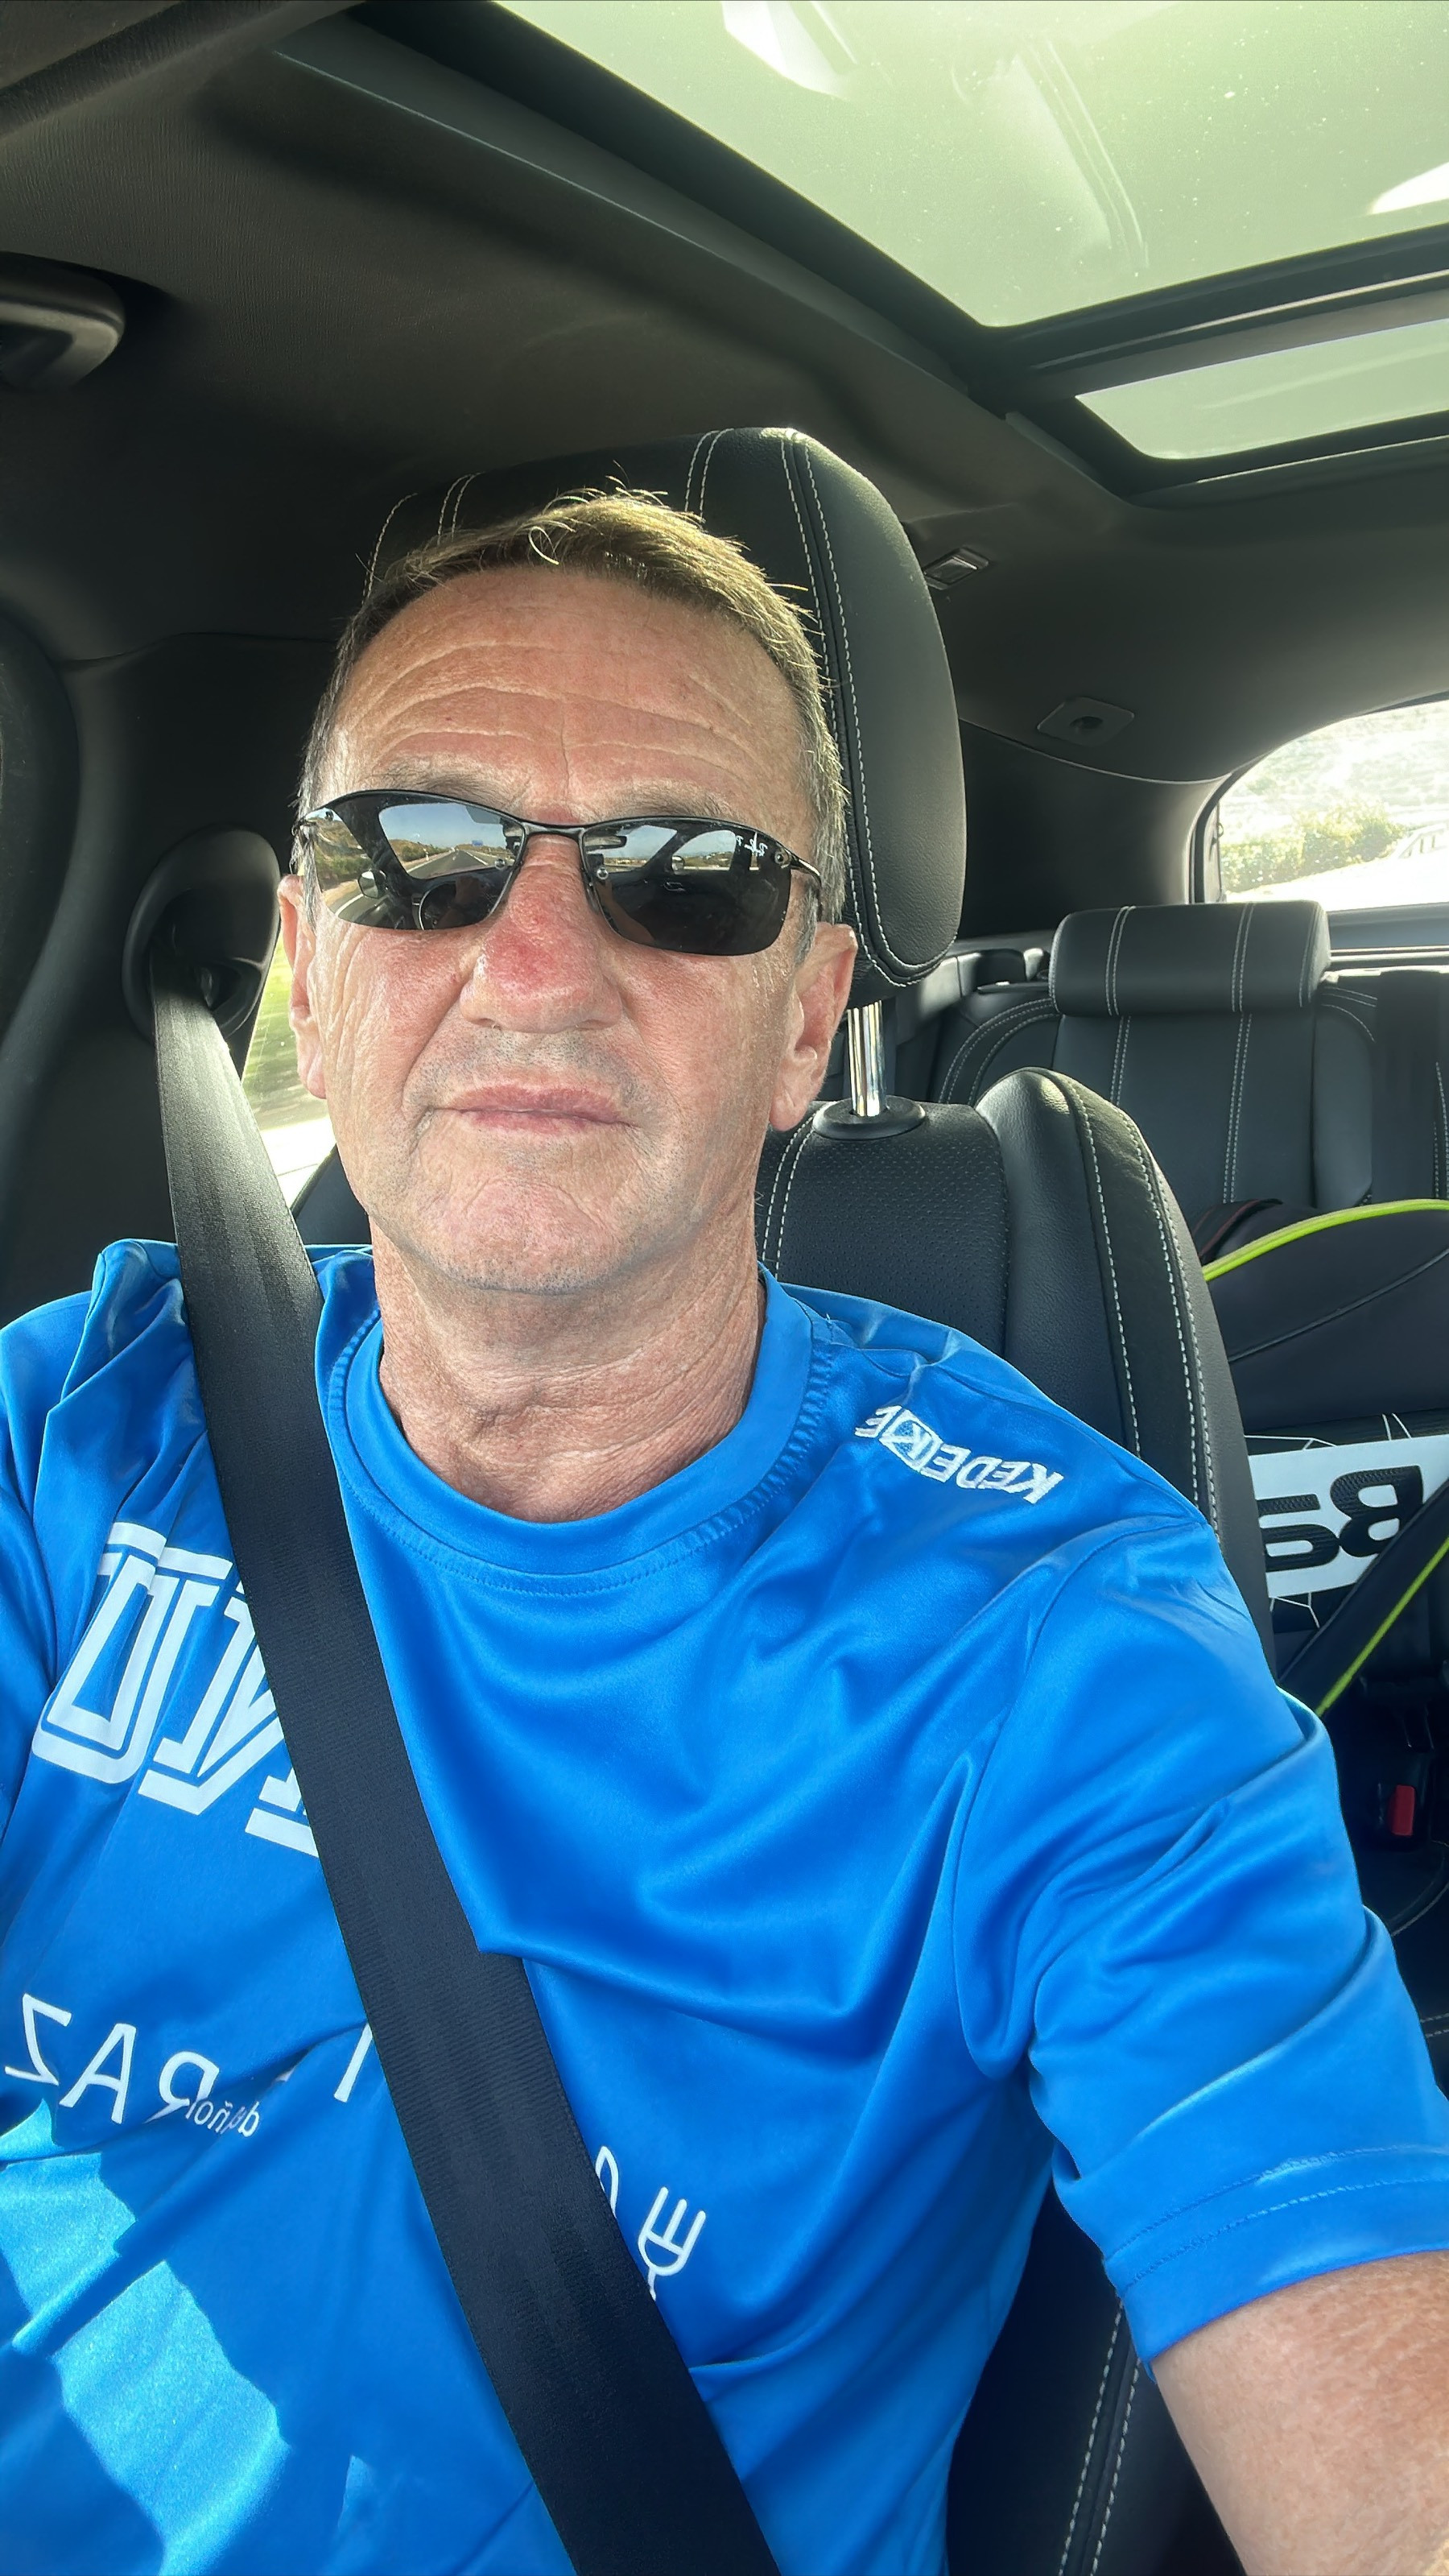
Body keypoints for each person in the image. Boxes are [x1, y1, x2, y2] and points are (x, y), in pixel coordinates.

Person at [0, 490, 1447, 2576]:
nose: (532, 966)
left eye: (689, 877)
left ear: (803, 1016)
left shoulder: (1056, 1636)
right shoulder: (86, 1415)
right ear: (307, 959)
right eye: (418, 852)